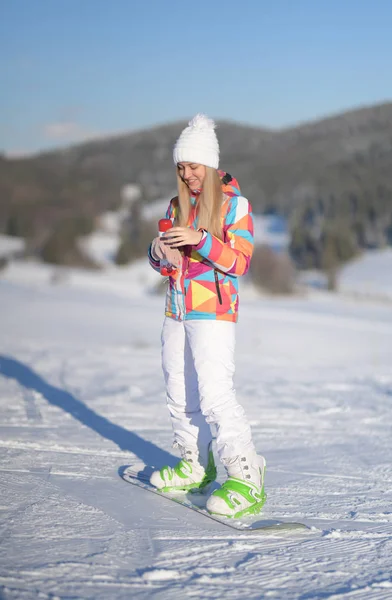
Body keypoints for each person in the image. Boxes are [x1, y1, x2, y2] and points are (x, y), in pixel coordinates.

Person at [148, 114, 266, 518]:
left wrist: (201, 239)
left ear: (210, 165)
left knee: (216, 394)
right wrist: (159, 254)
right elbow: (167, 266)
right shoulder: (175, 205)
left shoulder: (236, 206)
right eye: (181, 167)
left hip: (213, 310)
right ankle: (195, 464)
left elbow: (239, 262)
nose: (186, 174)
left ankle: (247, 476)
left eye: (193, 166)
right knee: (179, 393)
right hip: (176, 308)